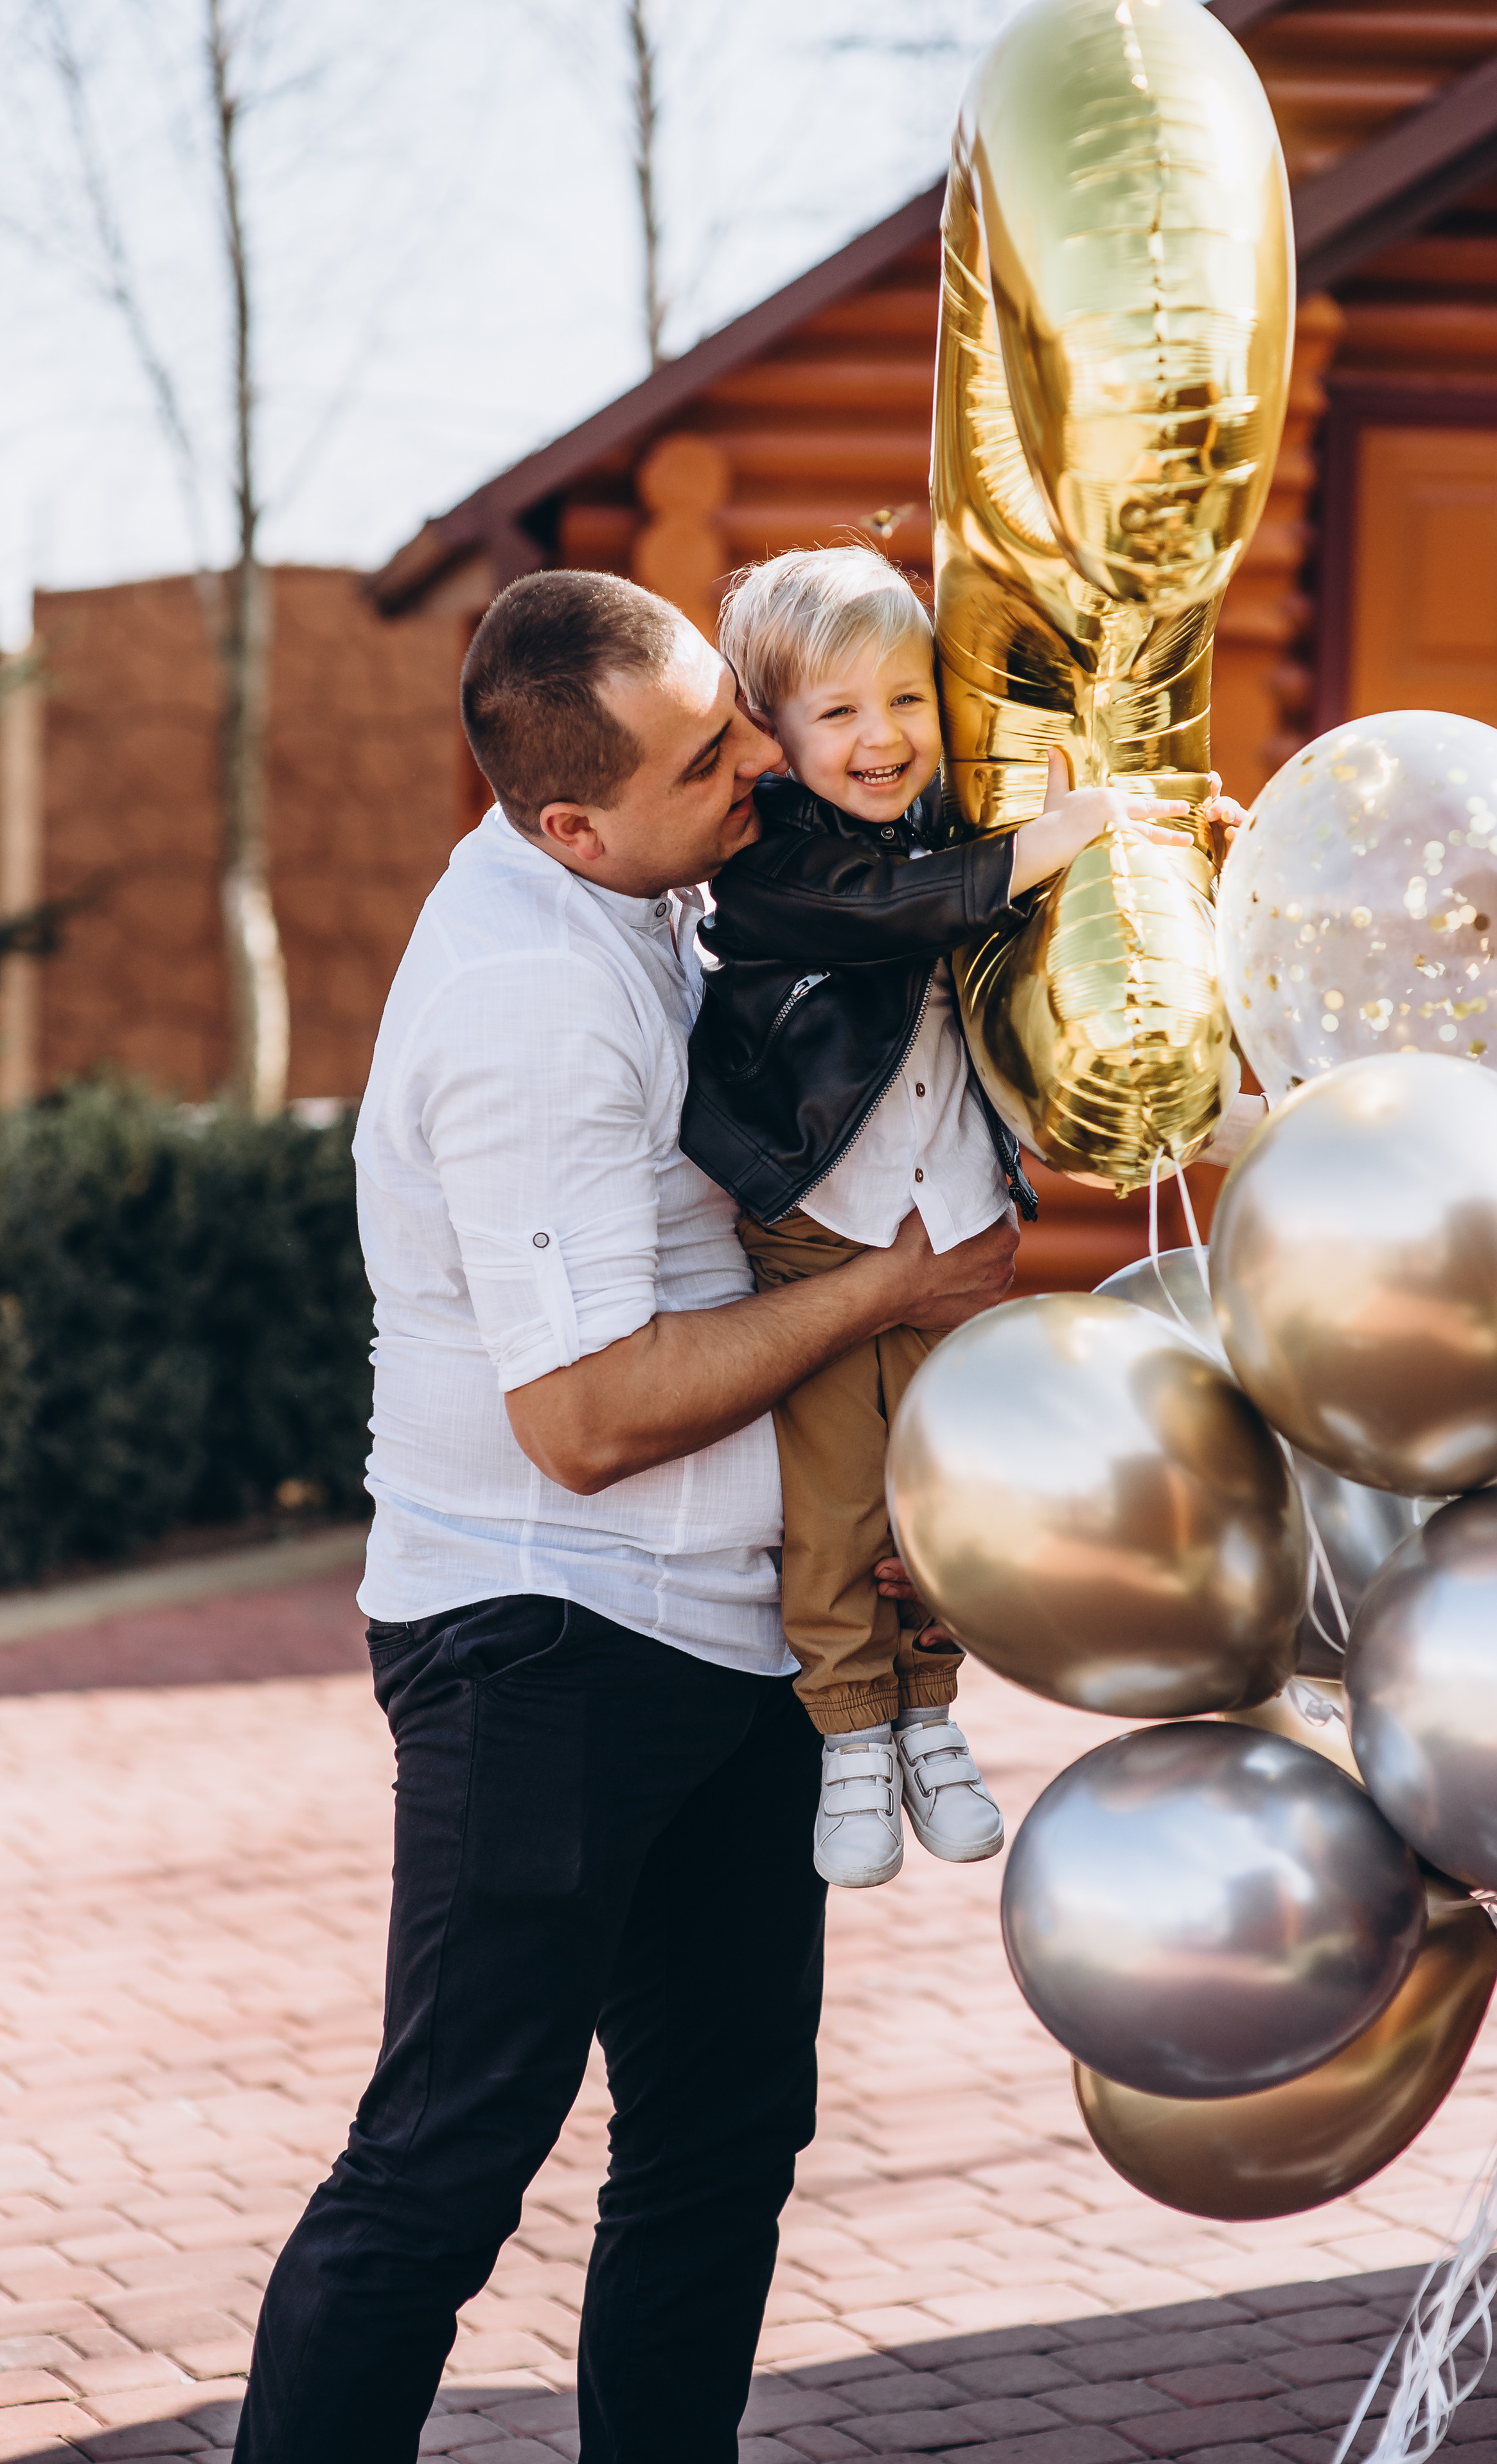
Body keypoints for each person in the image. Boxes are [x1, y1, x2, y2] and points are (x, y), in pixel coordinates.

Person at [229, 568, 1020, 2464]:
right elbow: (581, 1420)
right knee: (446, 2166)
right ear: (569, 820)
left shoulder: (651, 874)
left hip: (729, 1630)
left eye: (737, 717)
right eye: (709, 754)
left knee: (729, 2135)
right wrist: (890, 1293)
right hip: (546, 1642)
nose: (759, 761)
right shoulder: (521, 1001)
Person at [682, 544, 1245, 1889]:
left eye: (905, 701)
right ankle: (847, 1733)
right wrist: (1038, 850)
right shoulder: (772, 869)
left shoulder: (955, 831)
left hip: (948, 1217)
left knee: (941, 1490)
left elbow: (1029, 927)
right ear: (773, 733)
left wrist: (1160, 855)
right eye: (836, 713)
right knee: (829, 1503)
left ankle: (929, 1715)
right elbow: (895, 913)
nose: (879, 737)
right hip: (822, 1226)